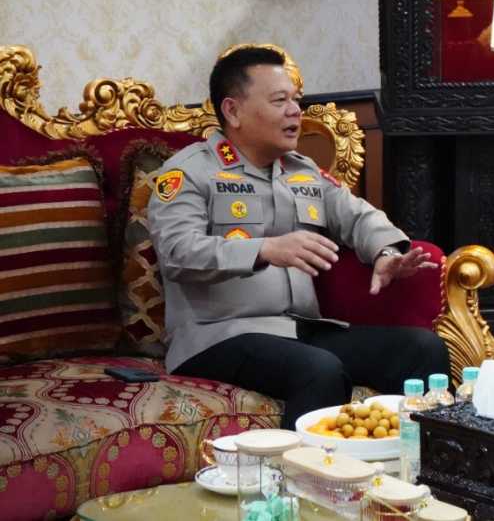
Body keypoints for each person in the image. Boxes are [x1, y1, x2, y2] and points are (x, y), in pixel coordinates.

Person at [149, 46, 449, 430]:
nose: (295, 111)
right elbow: (177, 251)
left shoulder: (302, 171)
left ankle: (415, 463)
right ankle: (304, 469)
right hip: (217, 335)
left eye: (295, 100)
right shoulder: (190, 172)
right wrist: (266, 249)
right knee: (319, 369)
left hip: (299, 329)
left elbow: (359, 217)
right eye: (280, 101)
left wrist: (388, 251)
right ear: (233, 111)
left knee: (422, 350)